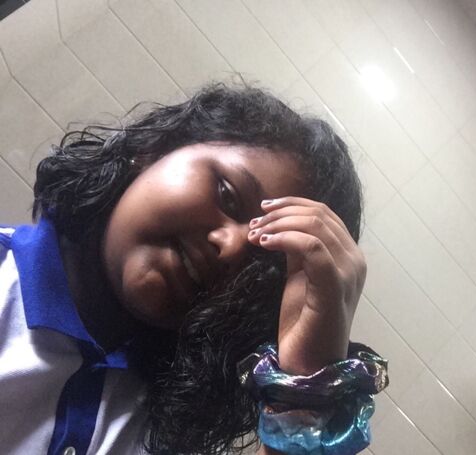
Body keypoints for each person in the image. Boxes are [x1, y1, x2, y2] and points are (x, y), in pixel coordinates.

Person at [0, 83, 388, 455]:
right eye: (227, 195)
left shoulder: (159, 427)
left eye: (258, 263)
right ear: (155, 148)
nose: (230, 248)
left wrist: (306, 382)